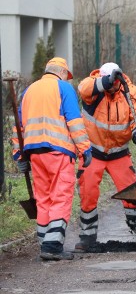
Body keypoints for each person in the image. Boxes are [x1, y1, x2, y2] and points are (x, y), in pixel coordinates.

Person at [12, 57, 92, 261]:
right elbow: (74, 122)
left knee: (43, 197)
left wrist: (18, 155)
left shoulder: (28, 92)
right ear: (63, 73)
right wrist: (85, 149)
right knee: (61, 195)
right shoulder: (64, 89)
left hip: (34, 153)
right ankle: (53, 246)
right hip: (59, 152)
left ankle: (44, 243)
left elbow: (19, 128)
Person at [74, 62, 136, 252]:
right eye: (109, 83)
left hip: (119, 152)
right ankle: (87, 237)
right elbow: (83, 88)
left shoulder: (130, 91)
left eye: (114, 84)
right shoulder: (93, 87)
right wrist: (105, 82)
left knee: (131, 193)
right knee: (88, 193)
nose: (112, 88)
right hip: (93, 152)